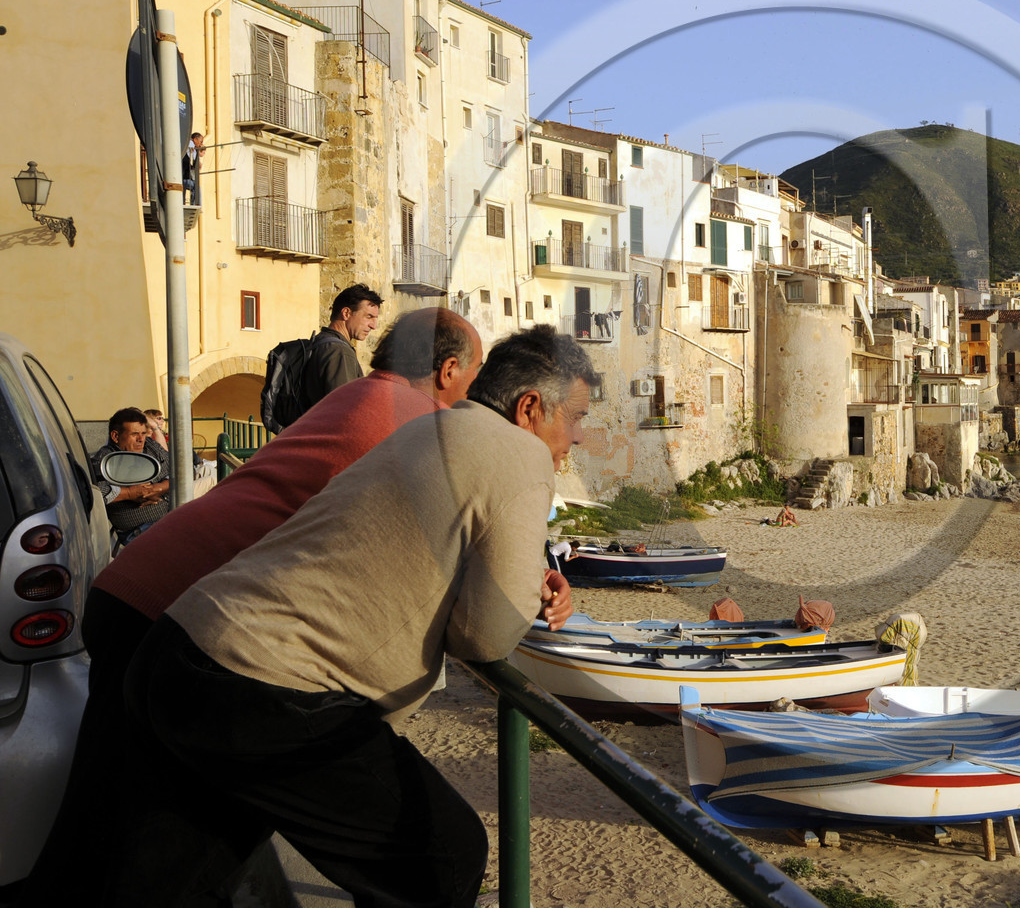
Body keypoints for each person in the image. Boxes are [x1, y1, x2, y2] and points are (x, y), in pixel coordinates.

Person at [23, 308, 511, 904]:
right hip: (191, 622)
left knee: (108, 821)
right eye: (475, 376)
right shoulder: (414, 425)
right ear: (450, 369)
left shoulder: (356, 395)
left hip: (137, 590)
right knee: (175, 838)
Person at [110, 326, 597, 907]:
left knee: (172, 879)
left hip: (180, 648)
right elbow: (485, 636)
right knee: (444, 854)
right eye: (576, 418)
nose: (579, 438)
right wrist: (517, 590)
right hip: (265, 688)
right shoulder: (521, 452)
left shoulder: (430, 426)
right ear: (531, 408)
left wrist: (515, 579)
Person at [88, 407, 172, 541]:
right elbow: (96, 493)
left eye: (143, 433)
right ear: (115, 436)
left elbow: (178, 470)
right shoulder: (105, 460)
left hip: (171, 515)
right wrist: (129, 493)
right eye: (134, 434)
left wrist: (159, 488)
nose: (141, 439)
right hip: (138, 531)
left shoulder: (150, 446)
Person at [304, 283, 385, 410]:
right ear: (346, 313)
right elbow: (345, 409)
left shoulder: (319, 343)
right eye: (369, 317)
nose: (373, 325)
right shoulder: (339, 352)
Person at [182, 131, 204, 205]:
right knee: (196, 188)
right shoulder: (191, 145)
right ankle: (195, 204)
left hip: (183, 175)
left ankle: (185, 203)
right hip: (184, 175)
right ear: (195, 139)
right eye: (201, 141)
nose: (201, 144)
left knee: (190, 188)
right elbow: (194, 161)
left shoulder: (187, 144)